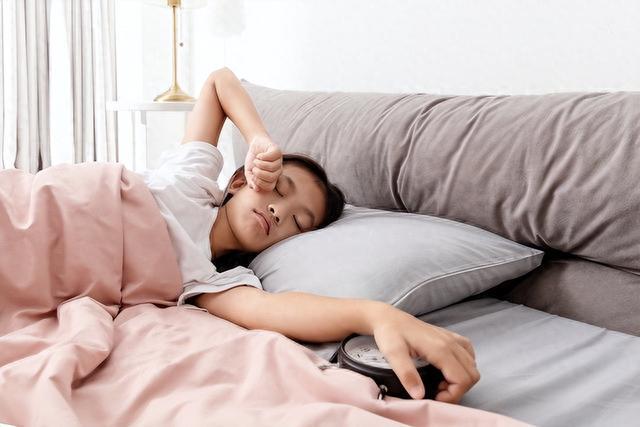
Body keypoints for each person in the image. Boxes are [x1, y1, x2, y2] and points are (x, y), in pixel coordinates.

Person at [139, 67, 480, 404]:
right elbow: (218, 82)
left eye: (298, 222)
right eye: (278, 189)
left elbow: (276, 310)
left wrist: (378, 316)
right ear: (240, 181)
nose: (279, 212)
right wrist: (258, 139)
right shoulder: (193, 180)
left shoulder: (211, 279)